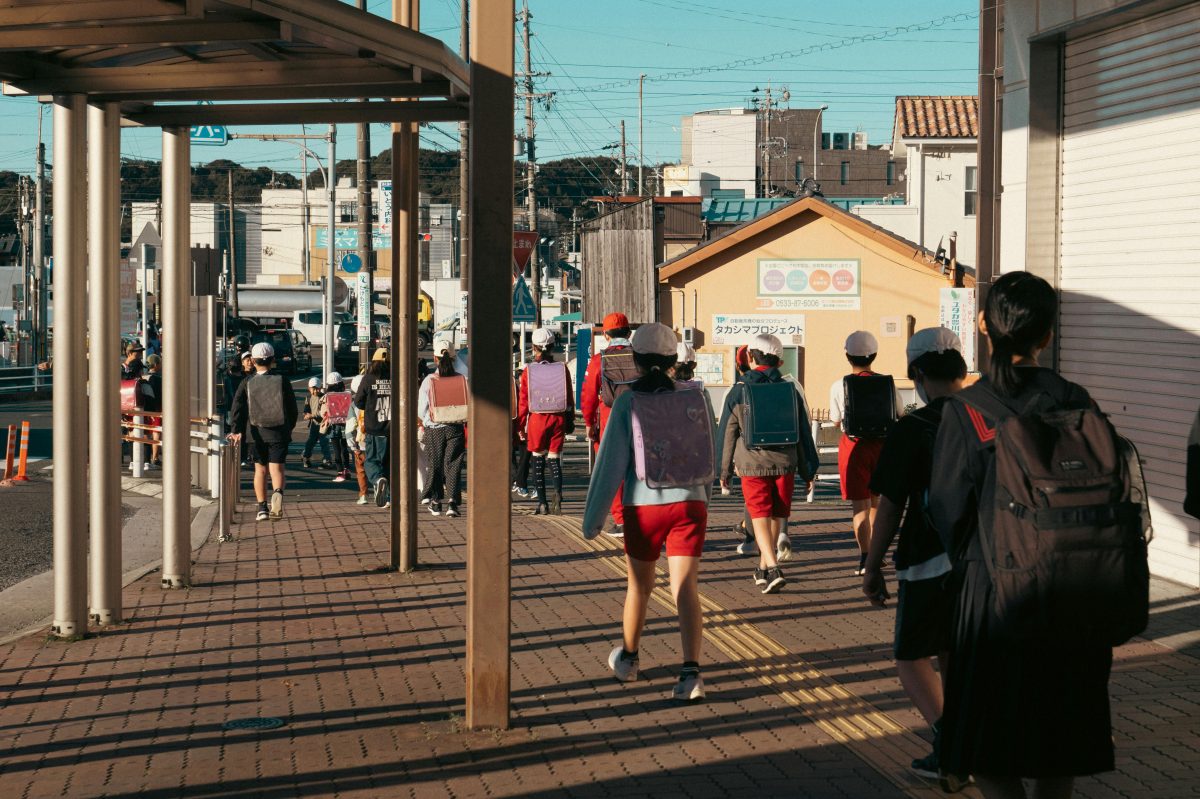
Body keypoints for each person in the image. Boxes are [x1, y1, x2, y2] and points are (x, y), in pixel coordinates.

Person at [929, 272, 1117, 798]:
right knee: (1059, 740)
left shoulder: (968, 409)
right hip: (1074, 592)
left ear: (985, 327)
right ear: (1048, 335)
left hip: (992, 592)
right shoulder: (1078, 400)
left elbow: (947, 509)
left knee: (985, 743)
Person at [583, 323, 717, 702]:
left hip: (643, 505)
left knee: (640, 586)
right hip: (690, 502)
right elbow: (708, 449)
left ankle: (628, 659)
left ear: (635, 361)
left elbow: (610, 463)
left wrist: (593, 521)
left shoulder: (628, 401)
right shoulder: (696, 396)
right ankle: (691, 674)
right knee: (686, 587)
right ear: (674, 360)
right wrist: (703, 496)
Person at [861, 327, 967, 782]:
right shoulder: (989, 419)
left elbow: (890, 505)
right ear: (961, 369)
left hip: (928, 560)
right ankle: (961, 743)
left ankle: (951, 742)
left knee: (911, 656)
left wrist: (872, 564)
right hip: (985, 560)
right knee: (956, 654)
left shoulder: (912, 429)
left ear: (918, 373)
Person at [718, 334, 818, 594]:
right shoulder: (790, 389)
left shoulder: (739, 390)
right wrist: (810, 469)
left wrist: (723, 470)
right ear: (780, 360)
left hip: (751, 463)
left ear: (750, 357)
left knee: (760, 514)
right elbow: (803, 432)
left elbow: (727, 432)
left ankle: (772, 567)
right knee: (777, 513)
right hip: (785, 462)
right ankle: (763, 568)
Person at [830, 330, 902, 575]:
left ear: (847, 356)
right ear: (875, 355)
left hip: (854, 448)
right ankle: (878, 554)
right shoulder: (887, 382)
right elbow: (900, 414)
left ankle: (865, 557)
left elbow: (835, 420)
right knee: (877, 503)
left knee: (859, 506)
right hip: (883, 447)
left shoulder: (839, 385)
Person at [581, 312, 637, 537]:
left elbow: (587, 396)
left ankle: (621, 519)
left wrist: (588, 422)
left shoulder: (599, 359)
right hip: (640, 416)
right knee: (637, 466)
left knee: (611, 467)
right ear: (629, 333)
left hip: (609, 418)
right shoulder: (640, 356)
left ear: (605, 335)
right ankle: (637, 512)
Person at [229, 342, 299, 522]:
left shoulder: (247, 382)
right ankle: (277, 493)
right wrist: (287, 428)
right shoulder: (282, 380)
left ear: (253, 360)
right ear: (273, 360)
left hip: (255, 432)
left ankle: (262, 508)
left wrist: (236, 430)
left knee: (260, 470)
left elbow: (237, 407)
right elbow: (292, 408)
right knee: (277, 469)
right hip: (278, 432)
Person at [518, 327, 575, 515]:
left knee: (537, 461)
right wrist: (570, 420)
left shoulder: (529, 371)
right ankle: (558, 493)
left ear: (534, 347)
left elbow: (524, 401)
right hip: (557, 418)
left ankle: (542, 503)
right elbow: (568, 399)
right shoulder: (562, 368)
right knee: (554, 460)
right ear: (552, 347)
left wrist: (520, 425)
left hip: (537, 419)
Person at [418, 340, 469, 517]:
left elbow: (421, 410)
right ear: (454, 358)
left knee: (435, 464)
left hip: (435, 428)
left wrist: (424, 423)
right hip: (455, 427)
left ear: (435, 357)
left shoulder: (429, 380)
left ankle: (435, 500)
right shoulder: (462, 379)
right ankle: (453, 503)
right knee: (453, 465)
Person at [354, 349, 392, 508]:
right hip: (392, 429)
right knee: (390, 464)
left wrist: (370, 407)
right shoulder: (396, 377)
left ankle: (377, 480)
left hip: (374, 428)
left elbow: (358, 401)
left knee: (371, 461)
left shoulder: (368, 379)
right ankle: (389, 497)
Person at [319, 372, 352, 482]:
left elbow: (322, 412)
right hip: (345, 424)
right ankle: (347, 470)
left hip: (333, 426)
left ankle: (340, 472)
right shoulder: (347, 395)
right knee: (344, 449)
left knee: (336, 449)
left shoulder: (327, 397)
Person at [345, 373, 371, 505]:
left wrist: (352, 445)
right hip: (375, 439)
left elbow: (350, 426)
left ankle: (363, 495)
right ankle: (380, 490)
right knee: (378, 466)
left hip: (360, 441)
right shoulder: (374, 399)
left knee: (361, 470)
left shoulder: (353, 404)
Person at [301, 376, 333, 468]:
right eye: (313, 389)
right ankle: (306, 457)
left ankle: (327, 460)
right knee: (311, 442)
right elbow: (306, 409)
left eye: (317, 389)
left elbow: (324, 411)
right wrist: (306, 414)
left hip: (324, 424)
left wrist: (312, 415)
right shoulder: (308, 398)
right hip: (314, 424)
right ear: (309, 389)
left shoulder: (324, 397)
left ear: (320, 388)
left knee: (324, 442)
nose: (315, 391)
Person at [144, 353, 164, 468]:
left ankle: (146, 458)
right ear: (156, 365)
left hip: (145, 408)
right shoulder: (157, 379)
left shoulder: (144, 376)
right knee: (157, 433)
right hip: (157, 408)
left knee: (147, 432)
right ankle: (155, 458)